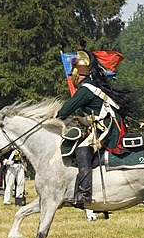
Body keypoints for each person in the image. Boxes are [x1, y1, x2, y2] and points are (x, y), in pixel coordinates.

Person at [56, 48, 132, 208]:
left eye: (72, 75)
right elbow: (96, 114)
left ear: (77, 74)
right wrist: (81, 119)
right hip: (108, 125)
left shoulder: (85, 90)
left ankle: (84, 193)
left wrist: (53, 118)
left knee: (83, 149)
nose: (71, 78)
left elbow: (63, 111)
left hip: (110, 129)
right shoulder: (92, 86)